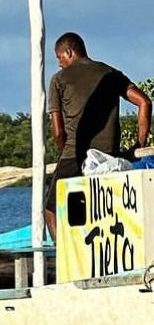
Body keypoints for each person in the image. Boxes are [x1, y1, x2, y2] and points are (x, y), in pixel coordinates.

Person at [43, 32, 151, 240]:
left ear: (69, 52)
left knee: (51, 210)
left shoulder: (58, 80)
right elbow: (144, 103)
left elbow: (58, 131)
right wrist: (138, 145)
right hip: (109, 154)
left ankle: (63, 261)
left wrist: (67, 150)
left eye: (59, 58)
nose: (59, 64)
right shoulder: (110, 73)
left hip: (74, 154)